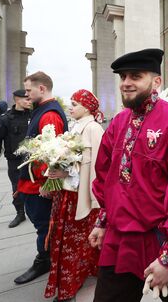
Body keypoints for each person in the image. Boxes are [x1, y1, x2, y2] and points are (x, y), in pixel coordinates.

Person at [90, 48, 168, 302]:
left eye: (135, 76)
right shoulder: (118, 122)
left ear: (156, 81)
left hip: (160, 240)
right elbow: (106, 178)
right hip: (119, 239)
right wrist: (103, 220)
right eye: (123, 77)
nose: (126, 83)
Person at [44, 89, 104, 302]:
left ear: (87, 107)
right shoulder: (75, 126)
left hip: (81, 195)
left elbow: (97, 166)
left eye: (75, 103)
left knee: (75, 240)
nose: (70, 107)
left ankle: (71, 283)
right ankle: (84, 272)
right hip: (67, 193)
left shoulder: (94, 128)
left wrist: (65, 173)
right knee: (69, 239)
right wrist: (53, 176)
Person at [14, 71, 69, 285]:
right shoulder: (42, 110)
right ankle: (48, 258)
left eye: (29, 90)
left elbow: (51, 153)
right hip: (31, 182)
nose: (26, 95)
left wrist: (47, 182)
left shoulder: (49, 115)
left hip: (39, 186)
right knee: (43, 224)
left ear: (42, 88)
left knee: (44, 226)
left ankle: (45, 260)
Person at [0, 89, 31, 228]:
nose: (30, 101)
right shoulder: (5, 118)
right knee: (17, 186)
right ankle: (20, 213)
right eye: (26, 99)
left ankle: (38, 211)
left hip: (33, 159)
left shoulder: (34, 115)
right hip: (15, 160)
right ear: (17, 100)